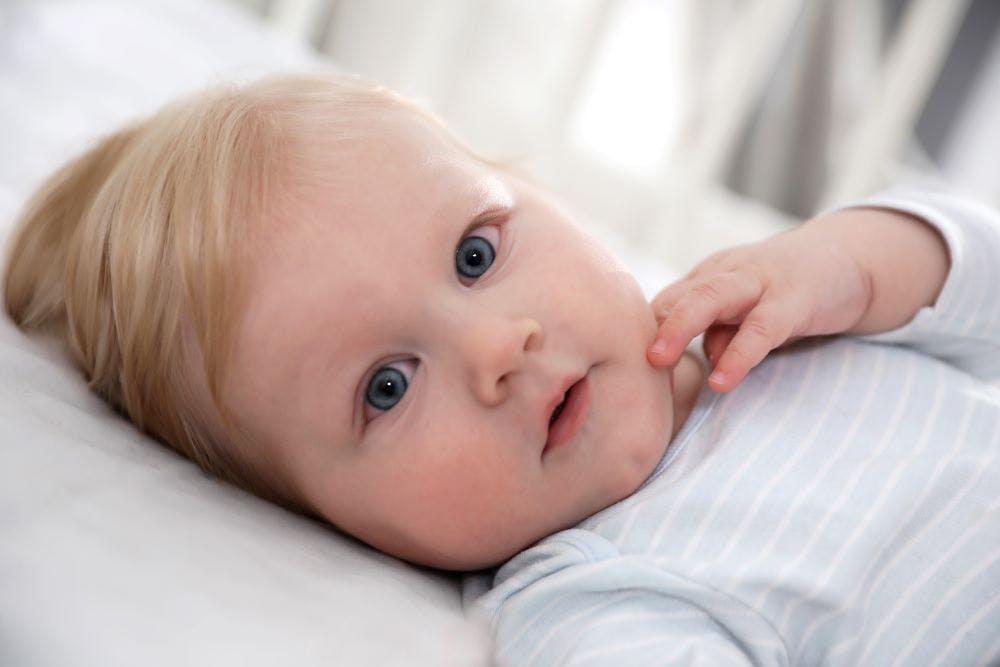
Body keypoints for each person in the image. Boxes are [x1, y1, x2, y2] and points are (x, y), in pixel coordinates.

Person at [3, 72, 998, 665]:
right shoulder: (598, 596)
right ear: (333, 520)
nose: (495, 349)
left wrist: (852, 262)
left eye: (475, 254)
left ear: (536, 190)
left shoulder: (773, 312)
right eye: (384, 388)